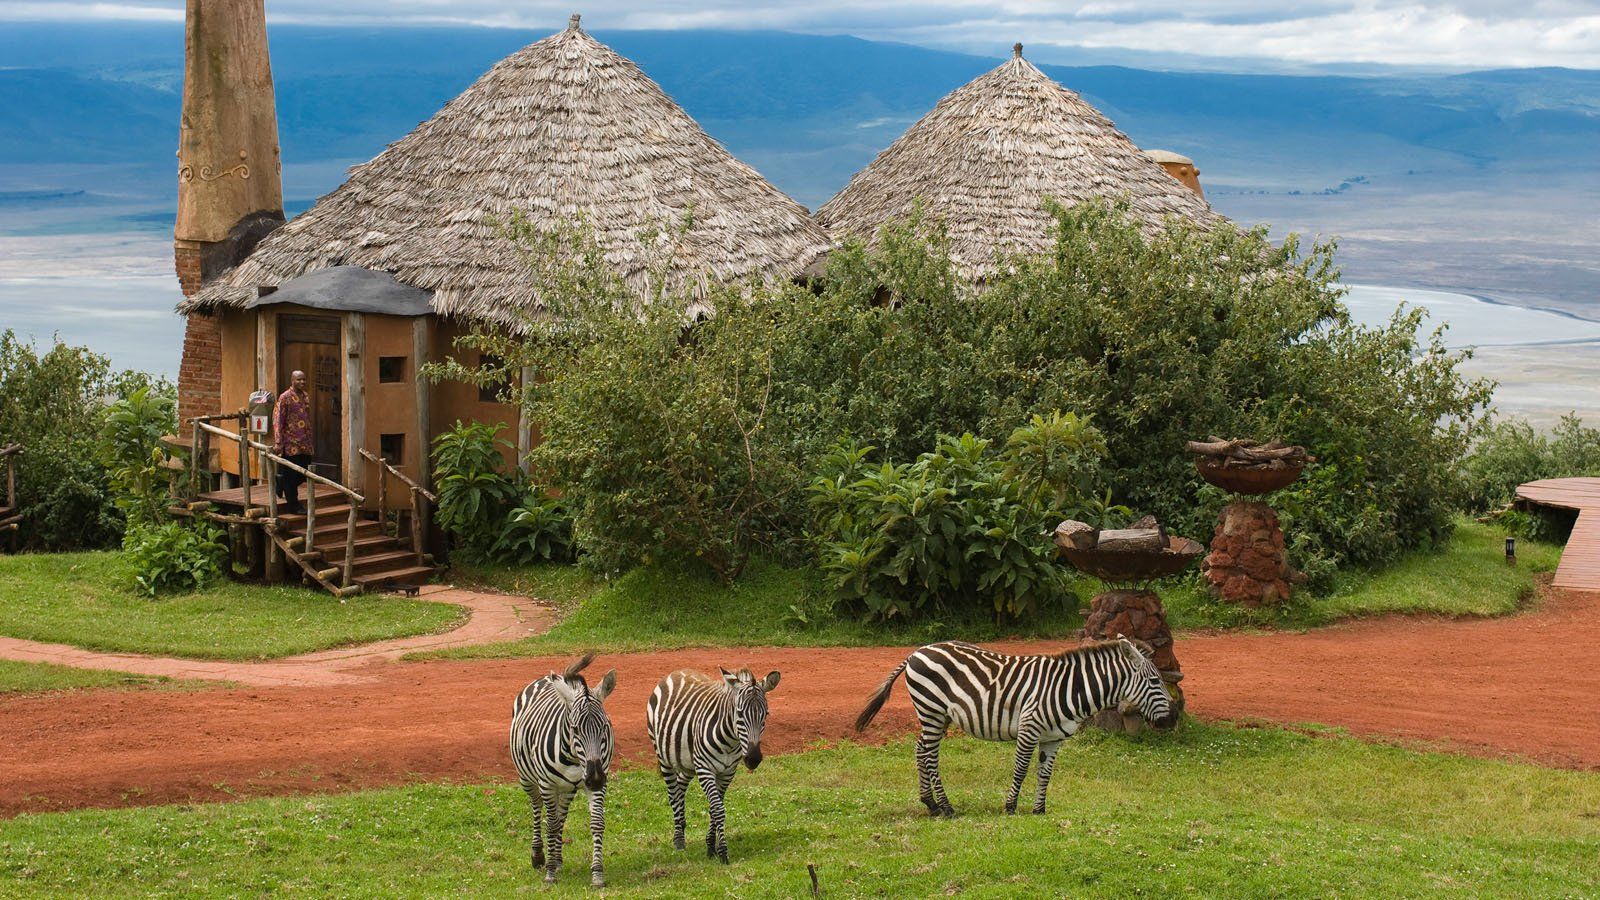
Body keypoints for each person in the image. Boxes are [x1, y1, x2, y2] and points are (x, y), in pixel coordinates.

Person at [273, 370, 315, 515]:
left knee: (303, 473)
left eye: (304, 379)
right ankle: (294, 505)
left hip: (305, 442)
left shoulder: (305, 396)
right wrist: (278, 442)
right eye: (299, 380)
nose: (302, 382)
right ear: (292, 381)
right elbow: (278, 420)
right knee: (291, 475)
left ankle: (281, 481)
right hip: (290, 443)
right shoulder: (285, 398)